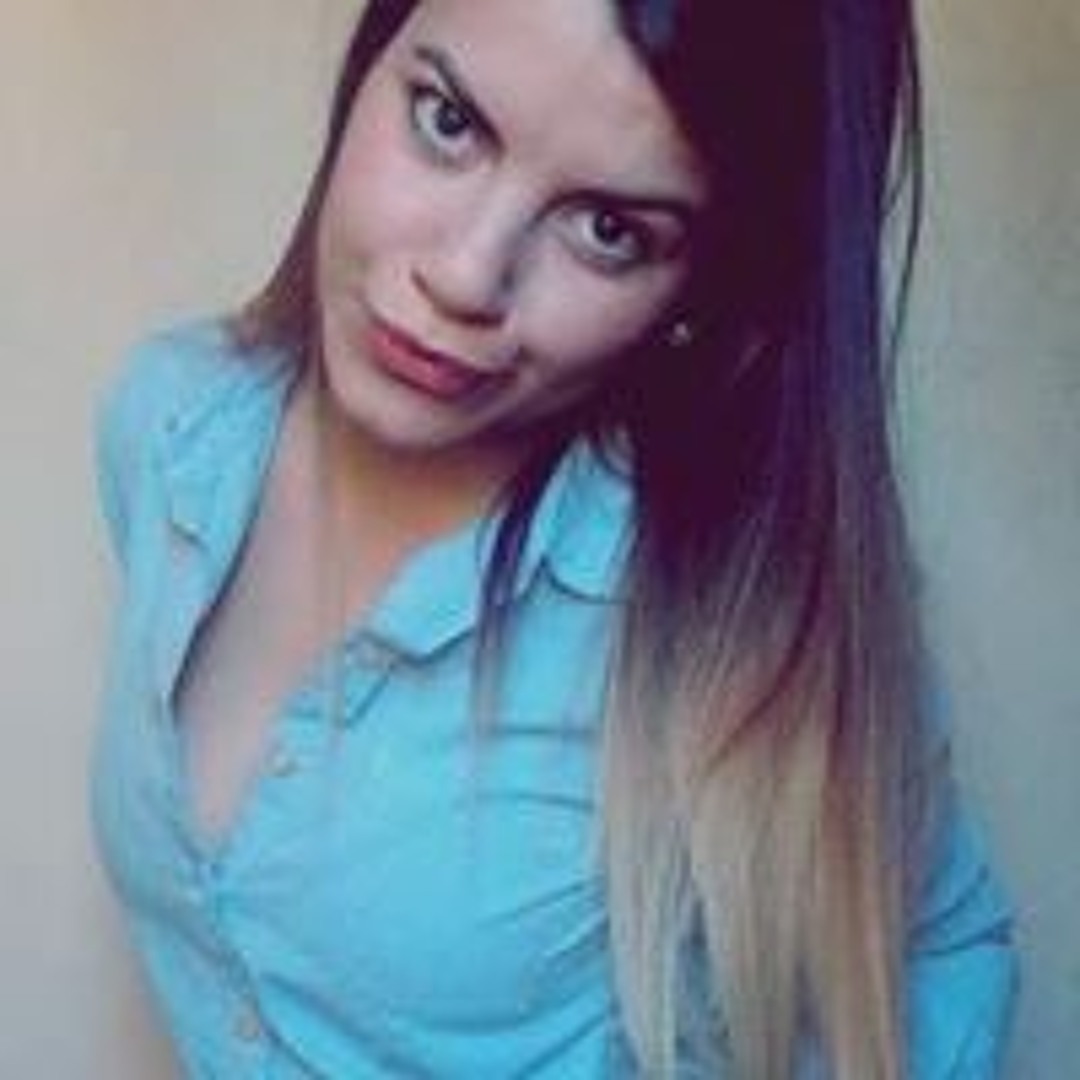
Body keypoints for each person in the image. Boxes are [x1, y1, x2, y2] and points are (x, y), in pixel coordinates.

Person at [92, 0, 1018, 1076]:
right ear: (371, 59)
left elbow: (944, 955)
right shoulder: (175, 430)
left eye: (609, 230)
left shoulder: (732, 628)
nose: (465, 276)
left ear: (701, 286)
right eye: (447, 120)